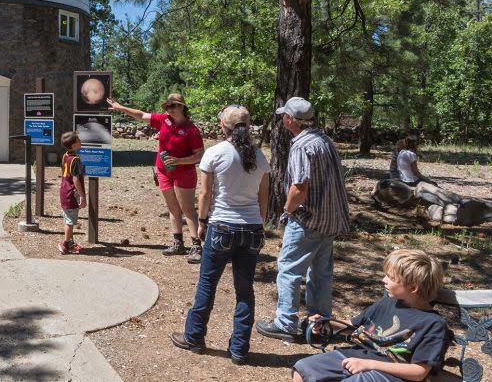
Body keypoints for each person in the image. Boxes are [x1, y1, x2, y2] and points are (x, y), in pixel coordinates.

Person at [170, 105, 270, 365]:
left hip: (222, 226)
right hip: (251, 229)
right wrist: (258, 222)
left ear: (223, 126)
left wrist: (201, 222)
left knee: (207, 284)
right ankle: (239, 349)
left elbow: (205, 194)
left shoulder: (215, 153)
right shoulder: (260, 156)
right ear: (247, 127)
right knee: (245, 290)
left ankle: (194, 337)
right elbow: (264, 197)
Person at [257, 97, 351, 342]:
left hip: (308, 220)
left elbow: (299, 187)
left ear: (290, 120)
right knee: (321, 274)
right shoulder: (325, 140)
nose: (282, 120)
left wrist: (287, 211)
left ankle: (285, 323)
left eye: (283, 117)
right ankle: (319, 324)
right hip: (329, 219)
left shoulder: (301, 145)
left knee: (288, 270)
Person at [292, 249, 449, 382]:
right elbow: (352, 326)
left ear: (413, 288)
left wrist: (370, 364)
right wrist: (326, 323)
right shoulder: (387, 303)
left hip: (390, 374)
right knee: (303, 369)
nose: (384, 280)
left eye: (391, 277)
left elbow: (419, 372)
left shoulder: (433, 324)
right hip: (358, 356)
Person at [107, 94, 205, 261]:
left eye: (173, 106)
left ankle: (197, 246)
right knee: (173, 208)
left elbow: (200, 155)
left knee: (187, 209)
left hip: (184, 172)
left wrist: (179, 161)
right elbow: (140, 115)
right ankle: (177, 243)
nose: (170, 109)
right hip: (164, 171)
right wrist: (120, 107)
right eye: (167, 106)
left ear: (182, 107)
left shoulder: (191, 130)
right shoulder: (163, 120)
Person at [59, 131, 88, 254]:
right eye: (79, 140)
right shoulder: (75, 159)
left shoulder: (65, 155)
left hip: (64, 190)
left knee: (68, 218)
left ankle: (70, 242)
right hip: (71, 193)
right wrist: (82, 195)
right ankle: (66, 244)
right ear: (74, 145)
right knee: (70, 221)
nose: (81, 141)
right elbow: (75, 179)